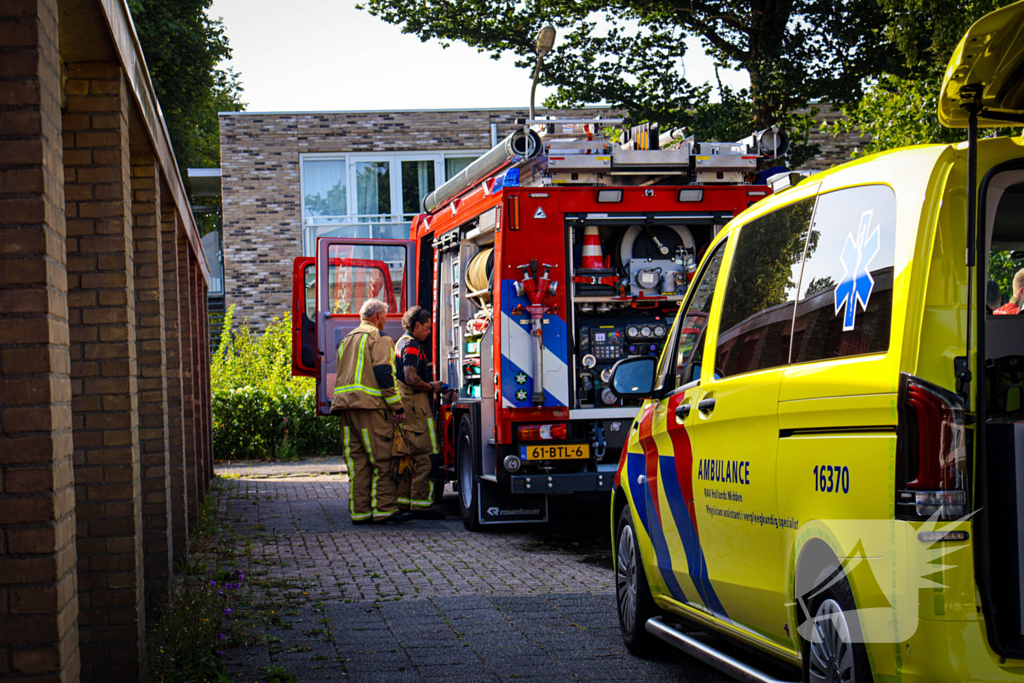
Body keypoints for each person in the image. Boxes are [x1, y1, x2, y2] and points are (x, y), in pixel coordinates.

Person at [331, 299, 412, 525]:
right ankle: (385, 510)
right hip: (370, 409)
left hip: (345, 410)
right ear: (377, 316)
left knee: (358, 465)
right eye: (385, 316)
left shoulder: (346, 340)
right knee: (383, 461)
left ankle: (361, 513)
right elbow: (384, 374)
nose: (385, 320)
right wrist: (397, 406)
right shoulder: (380, 338)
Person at [394, 306, 446, 519]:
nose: (429, 332)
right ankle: (422, 505)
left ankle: (406, 503)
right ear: (417, 325)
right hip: (415, 405)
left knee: (409, 456)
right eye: (426, 328)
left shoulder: (401, 342)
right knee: (425, 456)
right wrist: (432, 386)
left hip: (407, 403)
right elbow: (411, 377)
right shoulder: (412, 346)